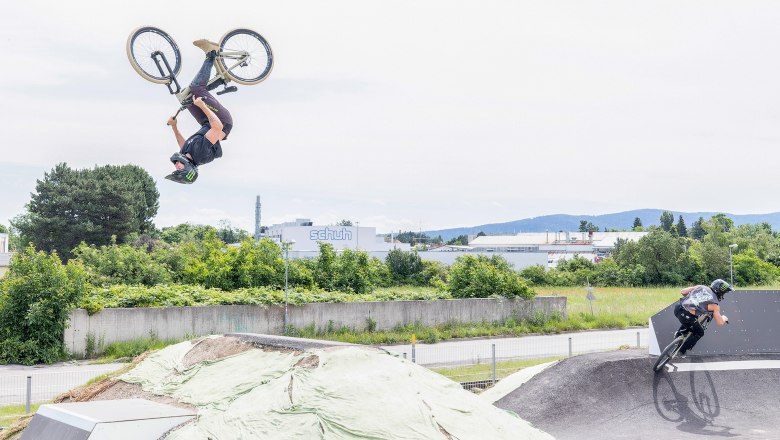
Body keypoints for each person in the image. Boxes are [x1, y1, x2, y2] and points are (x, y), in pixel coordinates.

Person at [165, 39, 234, 184]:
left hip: (207, 122)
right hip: (221, 121)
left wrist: (174, 126)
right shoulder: (200, 155)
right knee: (196, 88)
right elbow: (218, 127)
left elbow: (182, 143)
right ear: (189, 169)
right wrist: (203, 106)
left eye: (176, 167)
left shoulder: (187, 153)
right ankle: (211, 53)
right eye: (179, 169)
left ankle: (221, 80)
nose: (176, 165)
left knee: (186, 99)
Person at [674, 279, 732, 356]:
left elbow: (683, 292)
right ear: (720, 292)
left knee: (690, 321)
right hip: (686, 316)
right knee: (699, 332)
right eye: (724, 293)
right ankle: (682, 351)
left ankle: (678, 335)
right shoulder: (715, 305)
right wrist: (724, 318)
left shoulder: (701, 287)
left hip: (678, 308)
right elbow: (720, 323)